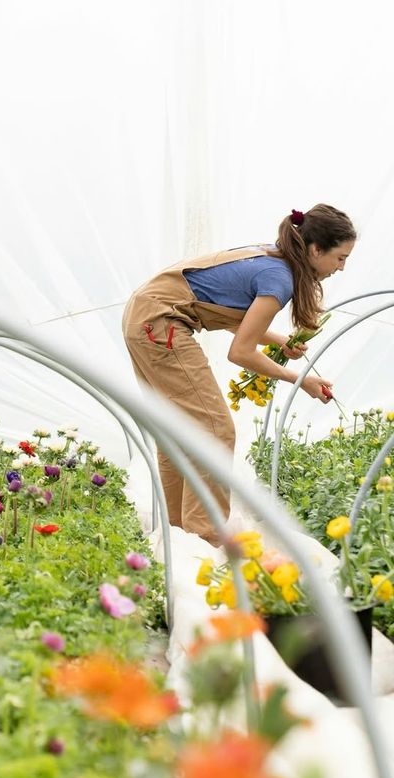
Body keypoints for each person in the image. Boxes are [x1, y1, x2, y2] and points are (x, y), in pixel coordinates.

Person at [122, 204, 356, 546]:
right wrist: (300, 380)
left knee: (176, 432)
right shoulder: (280, 277)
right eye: (340, 257)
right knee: (216, 430)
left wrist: (277, 340)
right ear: (316, 250)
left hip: (145, 317)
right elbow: (241, 352)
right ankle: (205, 536)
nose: (342, 267)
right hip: (161, 323)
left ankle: (176, 537)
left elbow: (231, 315)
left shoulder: (272, 257)